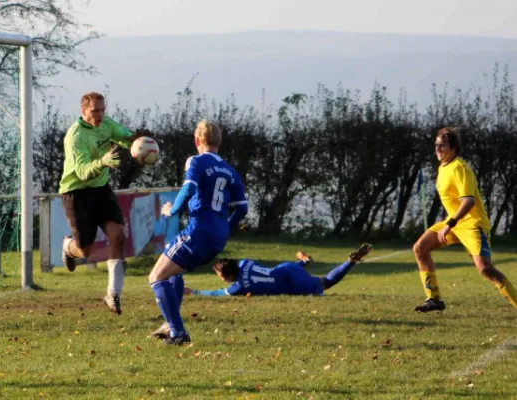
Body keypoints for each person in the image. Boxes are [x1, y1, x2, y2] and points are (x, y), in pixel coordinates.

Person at [148, 120, 248, 345]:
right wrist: (224, 228)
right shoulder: (230, 171)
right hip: (218, 237)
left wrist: (171, 210)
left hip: (198, 231)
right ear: (219, 142)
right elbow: (242, 209)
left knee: (156, 277)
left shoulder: (196, 161)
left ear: (197, 141)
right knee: (173, 271)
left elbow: (189, 187)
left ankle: (178, 332)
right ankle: (170, 324)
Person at [59, 91, 149, 316]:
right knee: (86, 250)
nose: (99, 114)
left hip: (101, 190)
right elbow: (82, 172)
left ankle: (113, 293)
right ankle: (68, 248)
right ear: (83, 111)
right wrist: (102, 162)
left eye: (102, 110)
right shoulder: (75, 136)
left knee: (118, 235)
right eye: (94, 111)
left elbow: (124, 137)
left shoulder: (106, 123)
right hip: (76, 192)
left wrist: (139, 142)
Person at [412, 127, 517, 312]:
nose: (437, 149)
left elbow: (468, 201)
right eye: (436, 145)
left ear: (453, 147)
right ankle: (434, 299)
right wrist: (449, 224)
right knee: (420, 248)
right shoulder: (443, 166)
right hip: (454, 223)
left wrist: (449, 224)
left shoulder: (460, 168)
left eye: (442, 145)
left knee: (485, 269)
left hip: (472, 225)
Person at [181, 244, 371, 299]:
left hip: (291, 283)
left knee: (325, 283)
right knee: (282, 269)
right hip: (286, 269)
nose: (221, 280)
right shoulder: (245, 262)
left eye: (220, 276)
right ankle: (304, 261)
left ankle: (349, 263)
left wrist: (193, 292)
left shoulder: (238, 287)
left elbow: (216, 294)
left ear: (229, 276)